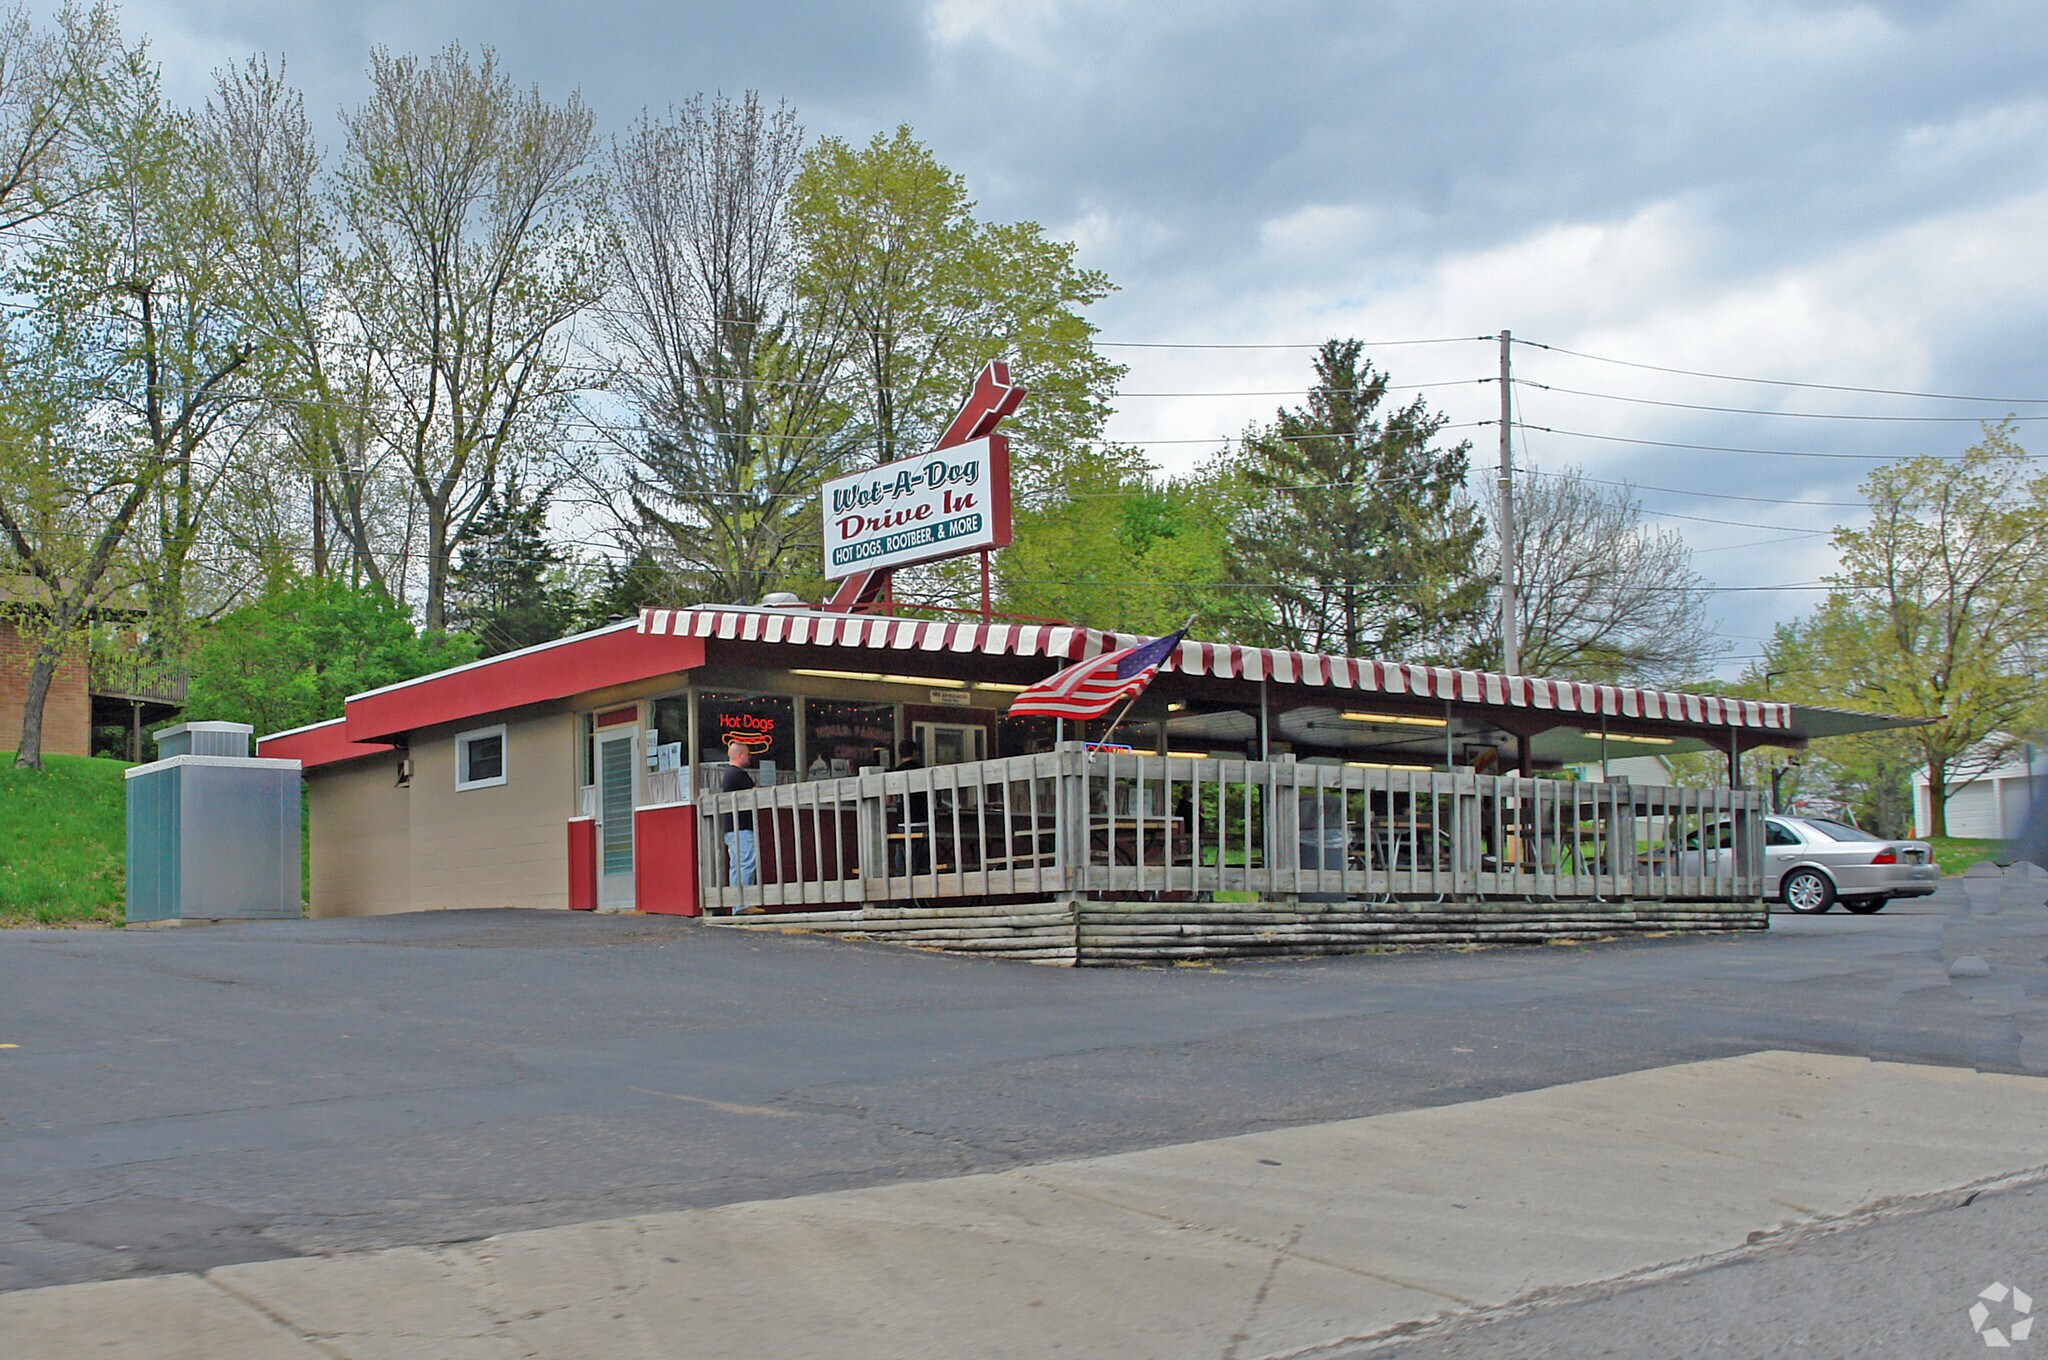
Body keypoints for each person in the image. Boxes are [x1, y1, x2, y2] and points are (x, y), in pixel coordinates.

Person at [718, 739, 760, 900]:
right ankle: (744, 903)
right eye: (748, 754)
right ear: (741, 755)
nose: (749, 758)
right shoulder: (737, 774)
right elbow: (755, 791)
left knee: (736, 866)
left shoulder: (728, 774)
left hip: (731, 828)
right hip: (741, 827)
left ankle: (738, 904)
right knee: (746, 863)